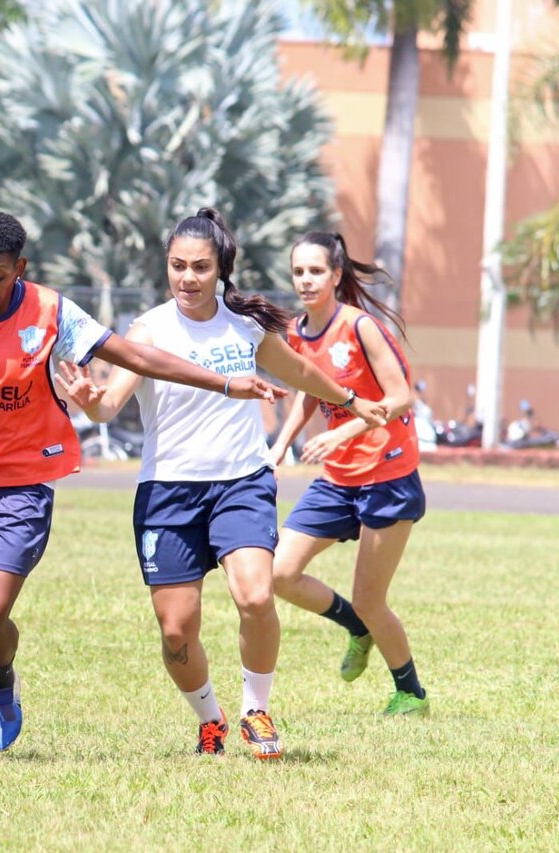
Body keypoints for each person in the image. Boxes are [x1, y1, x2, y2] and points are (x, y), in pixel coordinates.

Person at [0, 210, 289, 758]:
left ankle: (1, 676)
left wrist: (224, 382)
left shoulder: (53, 311)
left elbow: (139, 356)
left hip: (22, 484)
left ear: (20, 268)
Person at [56, 208, 387, 759]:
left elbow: (300, 372)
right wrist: (91, 402)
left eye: (200, 267)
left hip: (241, 481)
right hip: (169, 491)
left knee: (256, 595)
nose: (187, 278)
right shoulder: (149, 330)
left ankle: (256, 710)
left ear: (221, 270)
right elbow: (112, 404)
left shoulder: (244, 326)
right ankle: (210, 719)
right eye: (177, 266)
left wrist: (351, 400)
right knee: (176, 631)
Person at [268, 231, 430, 717]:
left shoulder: (360, 328)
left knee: (370, 598)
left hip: (388, 476)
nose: (305, 280)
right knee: (279, 572)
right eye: (298, 271)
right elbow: (309, 391)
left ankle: (411, 694)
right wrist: (278, 446)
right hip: (338, 481)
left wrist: (341, 435)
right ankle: (354, 627)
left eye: (315, 271)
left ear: (336, 276)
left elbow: (401, 397)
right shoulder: (298, 331)